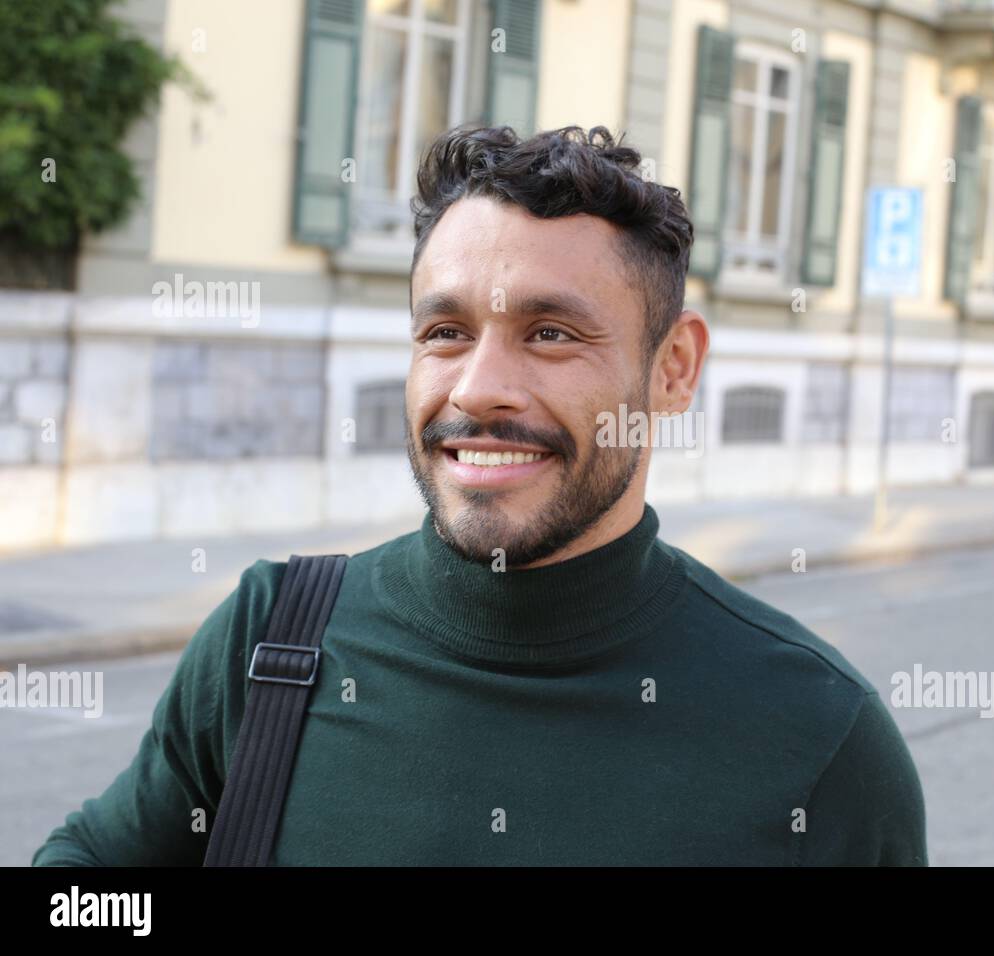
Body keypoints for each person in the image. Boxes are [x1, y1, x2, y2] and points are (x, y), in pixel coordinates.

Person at [31, 125, 926, 866]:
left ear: (674, 368)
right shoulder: (271, 637)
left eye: (549, 332)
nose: (476, 390)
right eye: (447, 331)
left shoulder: (820, 735)